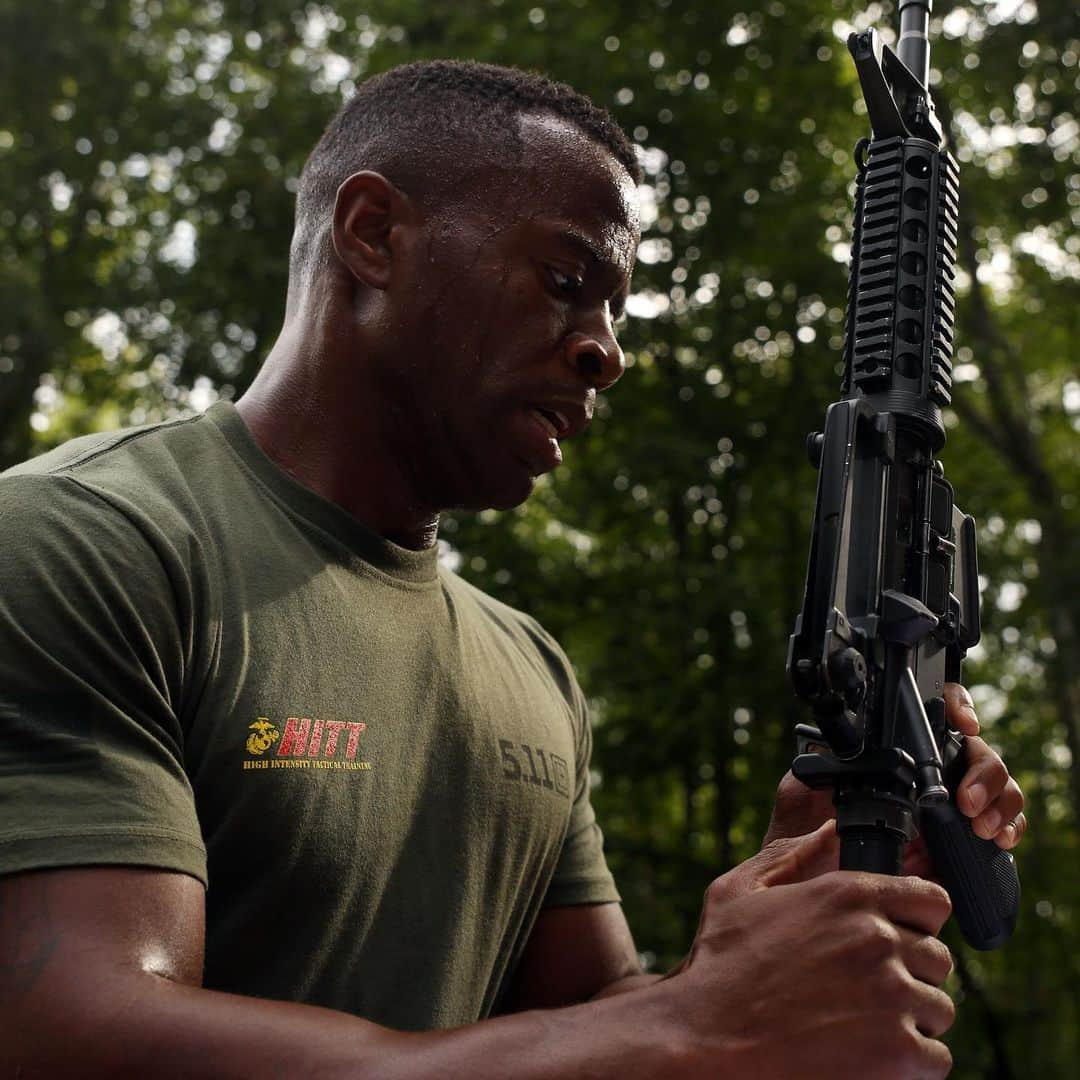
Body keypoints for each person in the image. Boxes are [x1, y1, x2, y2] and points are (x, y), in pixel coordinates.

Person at [0, 60, 1025, 1078]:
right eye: (567, 282)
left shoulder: (528, 668)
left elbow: (598, 1021)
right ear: (371, 235)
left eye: (618, 311)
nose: (607, 354)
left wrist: (787, 884)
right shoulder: (91, 543)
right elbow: (71, 1032)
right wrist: (690, 1028)